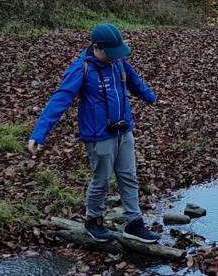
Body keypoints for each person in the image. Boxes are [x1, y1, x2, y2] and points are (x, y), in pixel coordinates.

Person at [26, 24, 160, 243]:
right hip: (99, 136)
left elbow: (134, 82)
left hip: (123, 130)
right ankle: (93, 221)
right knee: (102, 180)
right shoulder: (82, 69)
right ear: (97, 47)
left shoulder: (118, 61)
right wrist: (39, 134)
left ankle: (134, 224)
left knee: (129, 177)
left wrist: (152, 98)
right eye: (111, 53)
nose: (115, 57)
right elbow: (60, 99)